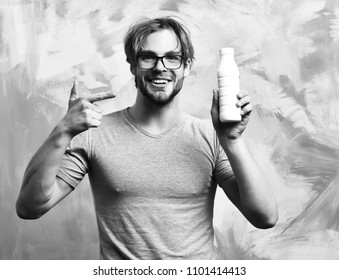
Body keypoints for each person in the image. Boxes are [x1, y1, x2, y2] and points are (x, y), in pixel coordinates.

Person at [16, 17, 278, 259]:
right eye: (148, 58)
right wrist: (62, 131)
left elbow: (265, 217)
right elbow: (30, 207)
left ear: (186, 66)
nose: (160, 67)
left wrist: (232, 141)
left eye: (172, 58)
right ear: (132, 66)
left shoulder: (211, 136)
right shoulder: (93, 134)